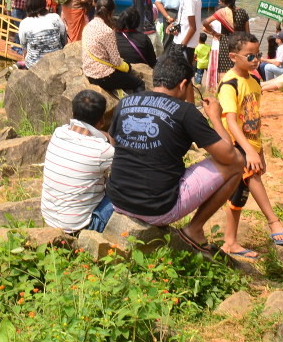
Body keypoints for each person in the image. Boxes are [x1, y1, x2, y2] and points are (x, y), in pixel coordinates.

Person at [105, 46, 247, 255]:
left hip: (117, 200)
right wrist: (216, 117)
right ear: (183, 84)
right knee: (238, 162)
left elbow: (113, 141)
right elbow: (229, 156)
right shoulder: (185, 112)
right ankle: (194, 229)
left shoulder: (125, 103)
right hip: (158, 209)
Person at [216, 32, 283, 259]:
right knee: (253, 176)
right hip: (235, 142)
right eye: (250, 56)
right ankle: (274, 222)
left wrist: (259, 150)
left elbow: (255, 117)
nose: (256, 60)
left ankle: (230, 242)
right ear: (233, 57)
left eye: (258, 55)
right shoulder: (229, 84)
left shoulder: (254, 81)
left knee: (239, 195)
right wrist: (249, 150)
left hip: (251, 142)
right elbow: (231, 121)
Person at [40, 90, 116, 234]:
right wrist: (112, 139)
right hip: (84, 225)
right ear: (102, 120)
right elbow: (128, 170)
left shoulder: (59, 133)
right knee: (127, 189)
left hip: (49, 218)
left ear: (72, 113)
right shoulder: (102, 150)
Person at [82, 0, 145, 96]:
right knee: (139, 83)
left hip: (88, 71)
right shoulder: (107, 31)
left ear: (96, 8)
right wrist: (128, 67)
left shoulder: (88, 26)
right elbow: (116, 62)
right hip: (102, 76)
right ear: (111, 12)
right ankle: (136, 104)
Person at [16, 0, 67, 69]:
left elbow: (24, 46)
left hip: (34, 65)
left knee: (24, 59)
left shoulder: (24, 23)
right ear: (44, 3)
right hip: (56, 62)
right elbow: (64, 39)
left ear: (28, 5)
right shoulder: (55, 17)